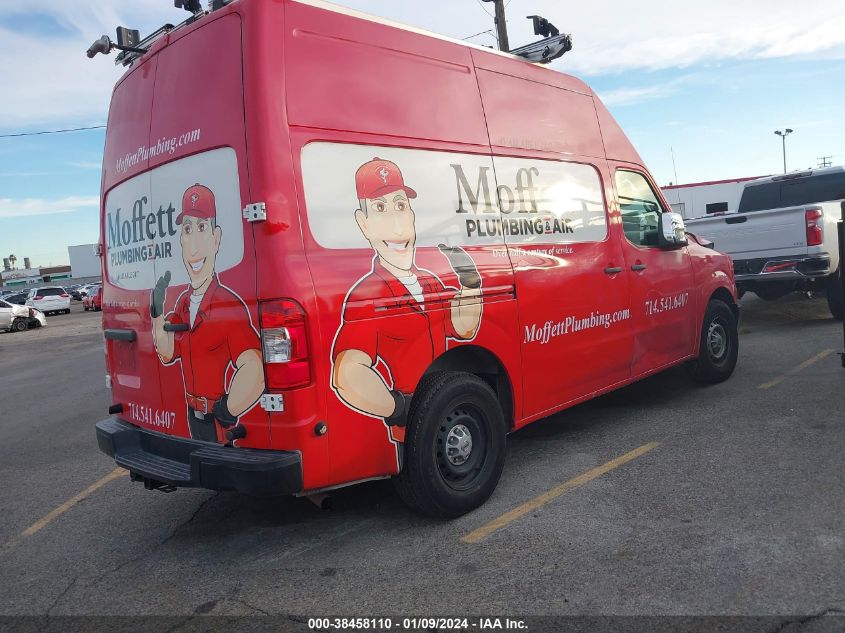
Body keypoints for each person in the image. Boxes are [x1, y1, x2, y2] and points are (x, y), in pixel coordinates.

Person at [331, 158, 483, 443]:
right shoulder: (368, 294)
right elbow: (348, 371)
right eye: (380, 209)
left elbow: (463, 327)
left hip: (438, 413)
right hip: (410, 436)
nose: (397, 225)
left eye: (401, 206)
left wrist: (470, 285)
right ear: (363, 224)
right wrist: (399, 408)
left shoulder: (428, 280)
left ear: (412, 215)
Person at [151, 183, 265, 443]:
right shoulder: (183, 303)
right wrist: (157, 314)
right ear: (181, 240)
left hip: (217, 422)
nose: (193, 247)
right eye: (187, 230)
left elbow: (254, 366)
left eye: (202, 228)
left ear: (216, 238)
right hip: (192, 417)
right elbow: (167, 353)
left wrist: (228, 408)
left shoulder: (226, 304)